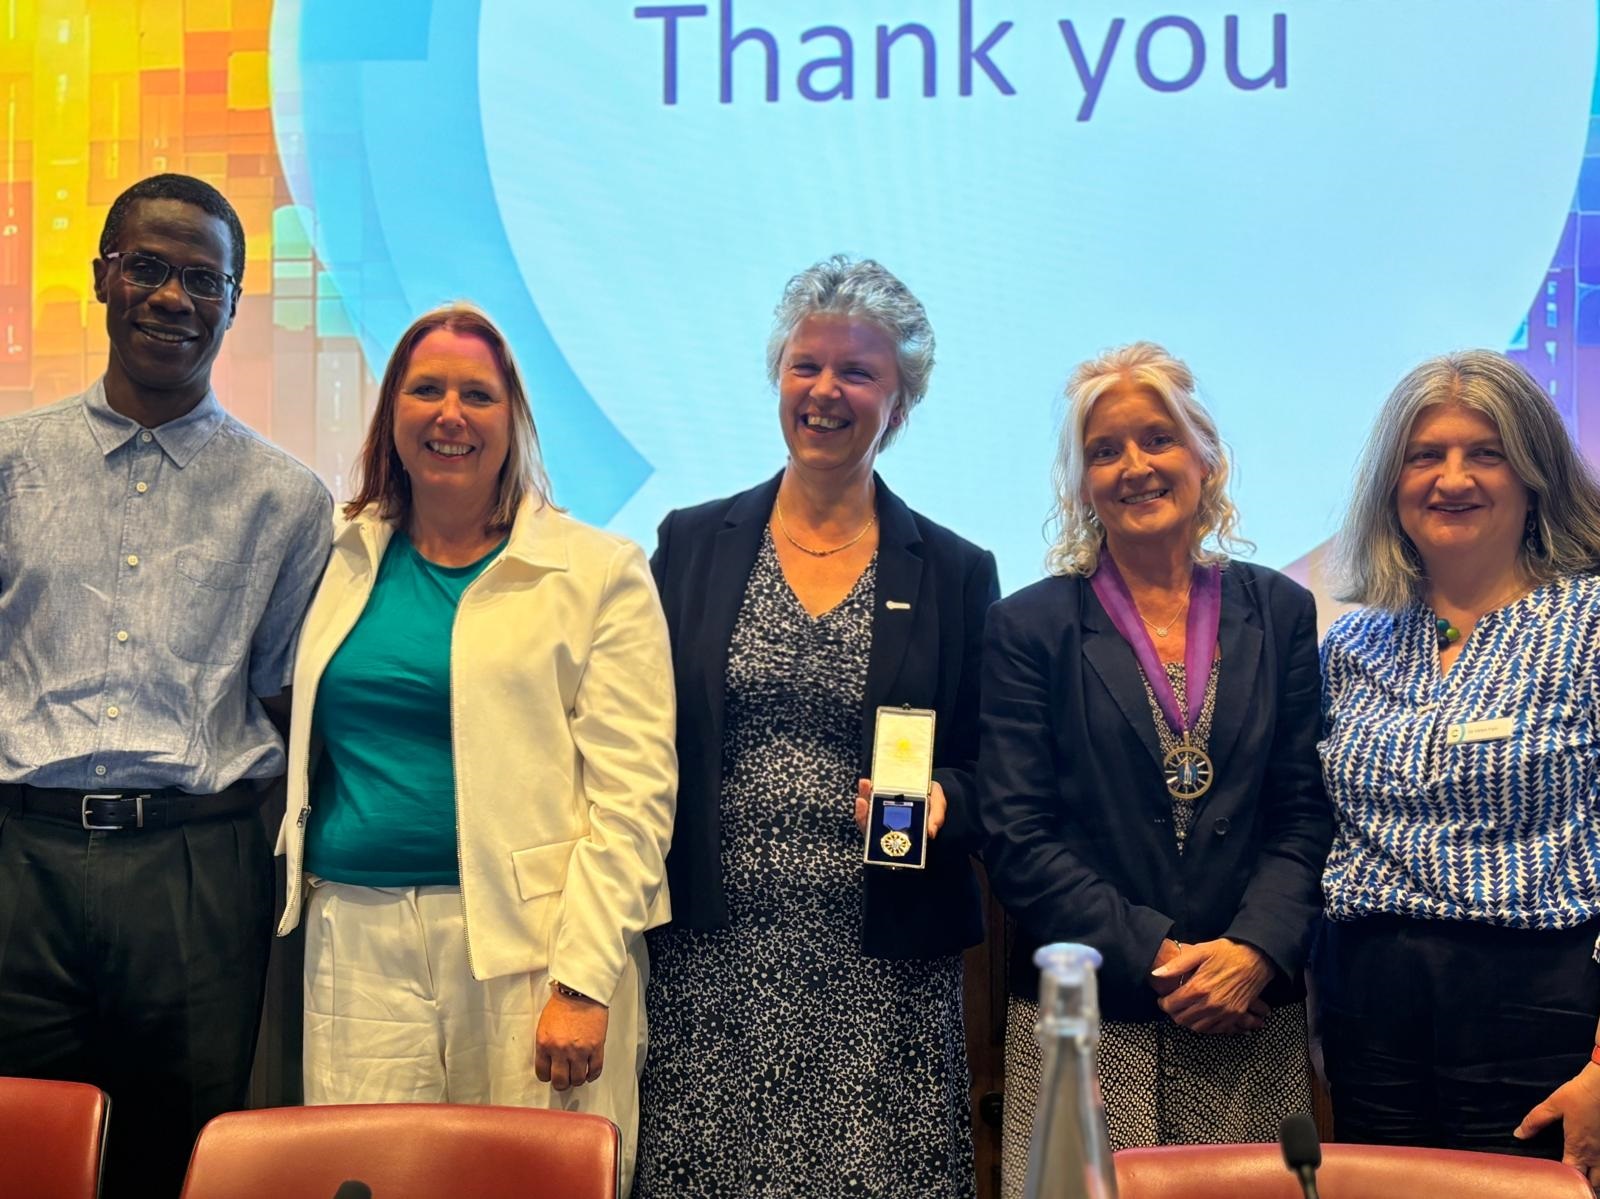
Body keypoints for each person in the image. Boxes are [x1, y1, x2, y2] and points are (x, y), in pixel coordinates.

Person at [274, 303, 675, 1193]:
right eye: (425, 390)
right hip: (356, 941)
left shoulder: (598, 571)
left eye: (476, 395)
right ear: (391, 416)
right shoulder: (340, 555)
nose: (449, 414)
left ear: (514, 419)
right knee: (362, 1180)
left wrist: (583, 978)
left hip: (530, 952)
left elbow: (636, 797)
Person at [634, 256, 998, 1198]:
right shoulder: (690, 543)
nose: (825, 391)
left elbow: (998, 760)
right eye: (806, 366)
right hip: (713, 959)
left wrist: (953, 795)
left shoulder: (955, 569)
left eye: (857, 372)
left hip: (880, 964)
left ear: (899, 404)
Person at [0, 173, 333, 1197]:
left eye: (202, 279)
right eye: (147, 268)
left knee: (182, 1160)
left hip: (195, 867)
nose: (171, 299)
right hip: (21, 858)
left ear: (234, 302)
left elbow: (284, 692)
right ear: (103, 276)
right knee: (18, 1150)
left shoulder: (287, 498)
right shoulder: (11, 460)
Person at [977, 342, 1331, 1196]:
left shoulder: (1278, 609)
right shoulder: (1031, 628)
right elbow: (1018, 836)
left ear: (1205, 458)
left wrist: (1251, 951)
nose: (1134, 466)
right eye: (1105, 450)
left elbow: (1305, 808)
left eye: (1157, 439)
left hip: (1246, 1015)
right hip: (1093, 1025)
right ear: (1082, 483)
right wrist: (1166, 958)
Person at [1316, 350, 1600, 1183]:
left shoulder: (1587, 625)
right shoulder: (1354, 644)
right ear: (1391, 485)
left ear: (1536, 472)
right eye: (1424, 455)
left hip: (1538, 1009)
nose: (1452, 477)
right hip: (1368, 1010)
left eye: (1486, 450)